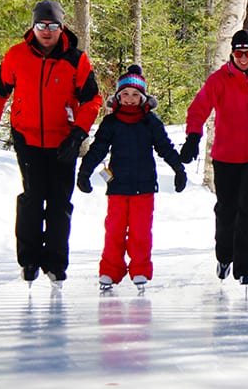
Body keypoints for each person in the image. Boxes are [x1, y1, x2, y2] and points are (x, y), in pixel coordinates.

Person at [0, 0, 103, 288]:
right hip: (28, 137)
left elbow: (92, 99)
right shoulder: (16, 56)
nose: (46, 31)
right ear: (33, 27)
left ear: (62, 27)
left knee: (59, 203)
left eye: (52, 26)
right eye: (41, 25)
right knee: (33, 199)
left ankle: (56, 264)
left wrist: (78, 134)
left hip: (64, 140)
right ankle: (30, 260)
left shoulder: (76, 59)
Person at [179, 29, 248, 285]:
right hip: (225, 155)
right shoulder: (219, 79)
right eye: (238, 53)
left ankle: (247, 268)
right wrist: (193, 137)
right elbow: (198, 109)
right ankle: (224, 256)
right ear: (232, 52)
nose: (243, 58)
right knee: (227, 209)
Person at [76, 65, 187, 292]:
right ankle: (110, 270)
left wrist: (179, 169)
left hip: (144, 187)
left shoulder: (151, 122)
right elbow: (98, 149)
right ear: (117, 97)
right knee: (114, 231)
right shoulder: (111, 123)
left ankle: (140, 270)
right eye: (125, 94)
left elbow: (165, 147)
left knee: (140, 233)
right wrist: (84, 172)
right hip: (117, 187)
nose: (129, 99)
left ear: (143, 98)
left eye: (135, 95)